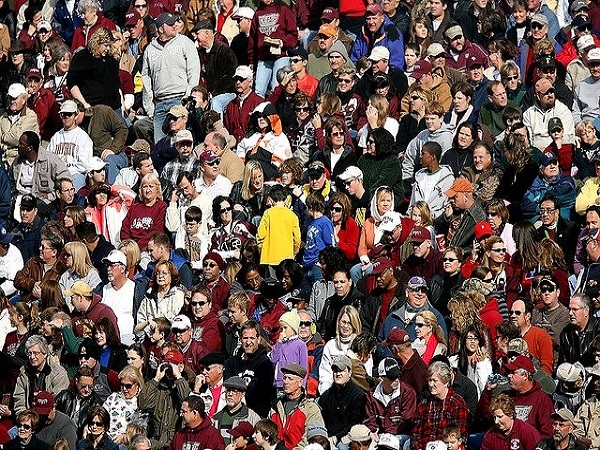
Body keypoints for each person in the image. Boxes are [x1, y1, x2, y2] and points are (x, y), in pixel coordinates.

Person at [138, 349, 191, 449]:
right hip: (157, 443)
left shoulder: (186, 385)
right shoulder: (158, 388)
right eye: (167, 366)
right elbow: (142, 404)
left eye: (172, 366)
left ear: (181, 366)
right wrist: (156, 379)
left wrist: (178, 376)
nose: (169, 371)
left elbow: (186, 401)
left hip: (176, 444)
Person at [411, 361, 469, 450]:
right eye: (429, 380)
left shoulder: (457, 403)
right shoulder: (424, 403)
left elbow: (460, 435)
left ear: (445, 381)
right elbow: (415, 433)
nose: (431, 384)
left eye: (435, 381)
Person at [224, 320, 275, 417]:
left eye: (252, 338)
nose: (248, 342)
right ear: (240, 339)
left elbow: (259, 391)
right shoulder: (231, 362)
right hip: (233, 411)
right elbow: (227, 385)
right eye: (245, 338)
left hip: (257, 414)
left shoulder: (264, 363)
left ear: (258, 339)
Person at [269, 363, 324, 449]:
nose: (286, 382)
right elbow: (267, 434)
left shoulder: (310, 409)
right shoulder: (275, 406)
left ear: (300, 382)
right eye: (284, 378)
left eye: (290, 379)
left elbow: (311, 440)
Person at [14, 335, 69, 414]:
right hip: (28, 418)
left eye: (36, 353)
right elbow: (19, 400)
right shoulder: (24, 373)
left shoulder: (58, 374)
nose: (32, 357)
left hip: (50, 417)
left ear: (45, 354)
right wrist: (24, 418)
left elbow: (58, 402)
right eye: (29, 353)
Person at [54, 367, 104, 436]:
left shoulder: (96, 402)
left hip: (81, 437)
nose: (87, 390)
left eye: (90, 387)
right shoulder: (64, 396)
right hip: (61, 434)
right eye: (83, 386)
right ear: (76, 381)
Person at [0, 83, 40, 166]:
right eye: (10, 98)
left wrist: (3, 137)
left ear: (24, 99)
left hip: (20, 161)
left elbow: (18, 138)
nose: (12, 101)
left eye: (15, 99)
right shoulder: (3, 117)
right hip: (3, 161)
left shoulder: (30, 116)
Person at [558, 293, 600, 367]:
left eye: (575, 309)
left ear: (586, 311)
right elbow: (563, 364)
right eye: (569, 309)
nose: (570, 313)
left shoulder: (598, 329)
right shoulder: (566, 333)